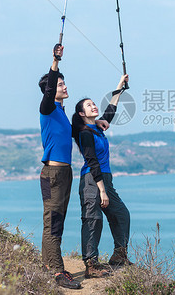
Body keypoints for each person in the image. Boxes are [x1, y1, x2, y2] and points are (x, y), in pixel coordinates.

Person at [38, 44, 108, 289]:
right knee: (54, 221)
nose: (65, 86)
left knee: (56, 219)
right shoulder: (47, 108)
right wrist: (55, 61)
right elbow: (49, 91)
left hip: (63, 173)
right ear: (50, 90)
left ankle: (48, 265)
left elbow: (82, 124)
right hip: (53, 173)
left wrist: (97, 119)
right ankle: (57, 272)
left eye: (64, 83)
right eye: (60, 84)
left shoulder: (61, 111)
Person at [71, 74, 132, 279]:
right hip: (91, 180)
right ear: (81, 113)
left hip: (105, 178)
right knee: (93, 219)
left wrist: (119, 87)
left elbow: (110, 110)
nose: (94, 106)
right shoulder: (85, 133)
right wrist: (102, 190)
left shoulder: (98, 127)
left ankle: (119, 255)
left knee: (121, 214)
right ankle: (91, 265)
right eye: (89, 105)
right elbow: (92, 161)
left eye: (94, 103)